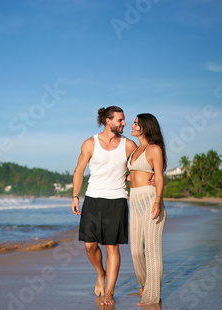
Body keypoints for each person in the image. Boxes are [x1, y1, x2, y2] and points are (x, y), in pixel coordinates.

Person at [71, 106, 137, 305]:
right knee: (90, 246)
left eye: (124, 120)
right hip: (93, 198)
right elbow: (79, 170)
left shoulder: (129, 145)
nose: (124, 123)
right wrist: (75, 196)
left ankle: (109, 291)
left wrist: (139, 178)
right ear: (108, 121)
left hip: (117, 199)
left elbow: (141, 167)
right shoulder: (90, 143)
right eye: (121, 120)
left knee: (112, 247)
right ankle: (101, 273)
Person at [127, 113, 167, 305]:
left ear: (144, 127)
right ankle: (144, 284)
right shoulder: (136, 150)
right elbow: (133, 173)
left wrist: (158, 201)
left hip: (150, 200)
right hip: (133, 201)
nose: (132, 126)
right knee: (135, 251)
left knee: (152, 251)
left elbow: (158, 176)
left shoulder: (154, 149)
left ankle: (152, 296)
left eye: (135, 123)